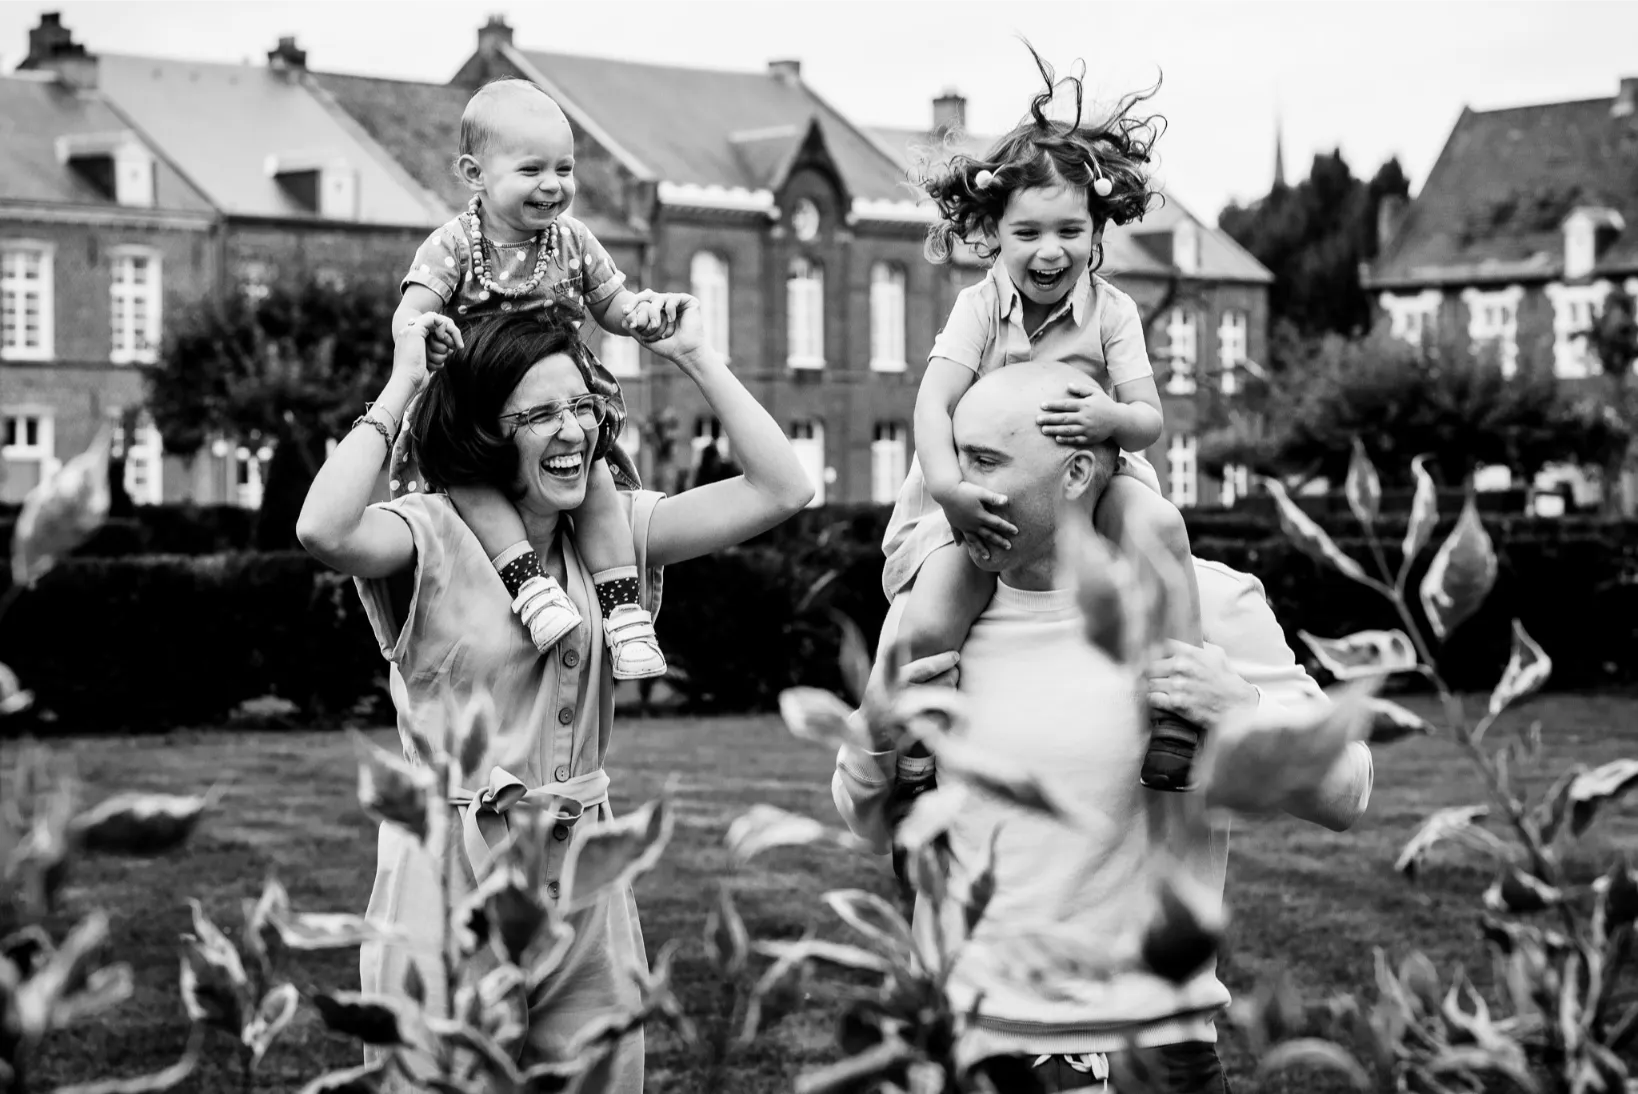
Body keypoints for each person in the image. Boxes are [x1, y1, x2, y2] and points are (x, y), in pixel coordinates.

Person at [296, 300, 813, 1092]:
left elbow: (782, 488)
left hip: (586, 884)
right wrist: (404, 382)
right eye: (538, 414)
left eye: (579, 407)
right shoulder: (424, 534)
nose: (571, 431)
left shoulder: (615, 534)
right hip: (446, 880)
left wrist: (697, 356)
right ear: (484, 432)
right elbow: (324, 530)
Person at [835, 360, 1374, 1094]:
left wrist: (1239, 711)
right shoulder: (931, 619)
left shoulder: (1202, 601)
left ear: (1078, 472)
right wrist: (877, 734)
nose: (952, 487)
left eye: (985, 462)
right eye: (952, 459)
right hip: (961, 1051)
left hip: (1153, 1059)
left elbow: (1347, 796)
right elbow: (869, 823)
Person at [884, 45, 1206, 792]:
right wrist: (949, 489)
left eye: (1068, 231)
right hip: (982, 493)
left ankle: (1179, 707)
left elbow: (1148, 421)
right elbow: (932, 401)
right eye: (1027, 233)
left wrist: (1109, 415)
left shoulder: (1113, 312)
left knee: (1163, 532)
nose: (1049, 250)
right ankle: (917, 740)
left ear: (1097, 232)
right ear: (996, 232)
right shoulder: (979, 307)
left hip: (1094, 480)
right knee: (932, 610)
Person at [392, 77, 687, 681]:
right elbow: (410, 313)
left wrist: (641, 314)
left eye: (564, 168)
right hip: (476, 406)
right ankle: (530, 587)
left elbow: (612, 304)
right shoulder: (451, 246)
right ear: (475, 173)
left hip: (560, 404)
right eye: (531, 169)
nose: (553, 185)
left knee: (597, 483)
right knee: (469, 482)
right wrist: (426, 328)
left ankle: (623, 609)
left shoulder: (573, 240)